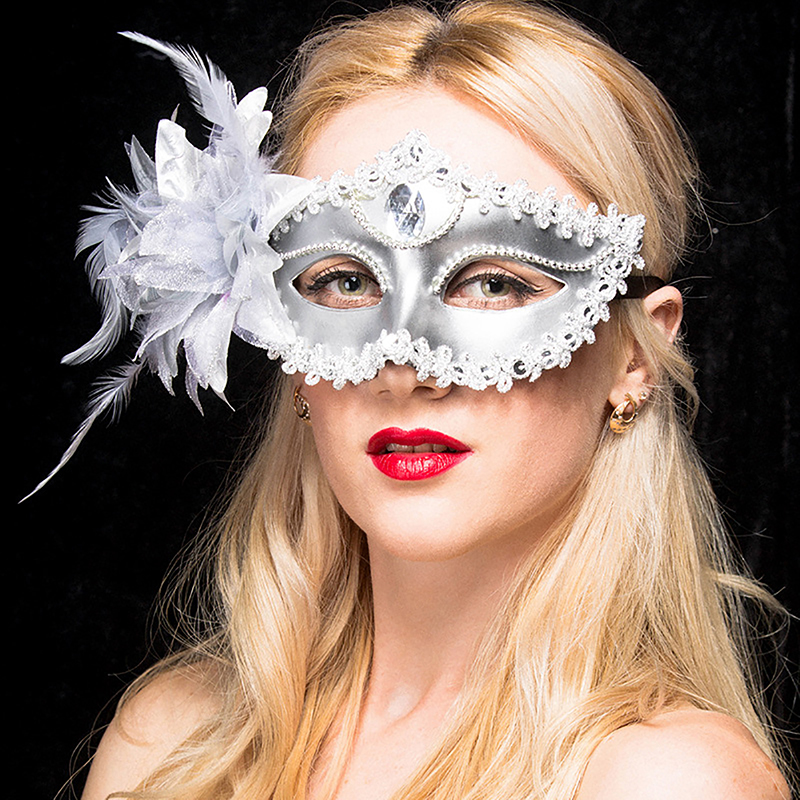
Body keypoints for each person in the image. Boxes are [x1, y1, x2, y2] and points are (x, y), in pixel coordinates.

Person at [62, 1, 792, 798]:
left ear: (635, 357)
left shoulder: (663, 780)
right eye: (346, 281)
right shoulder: (171, 744)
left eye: (495, 283)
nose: (405, 367)